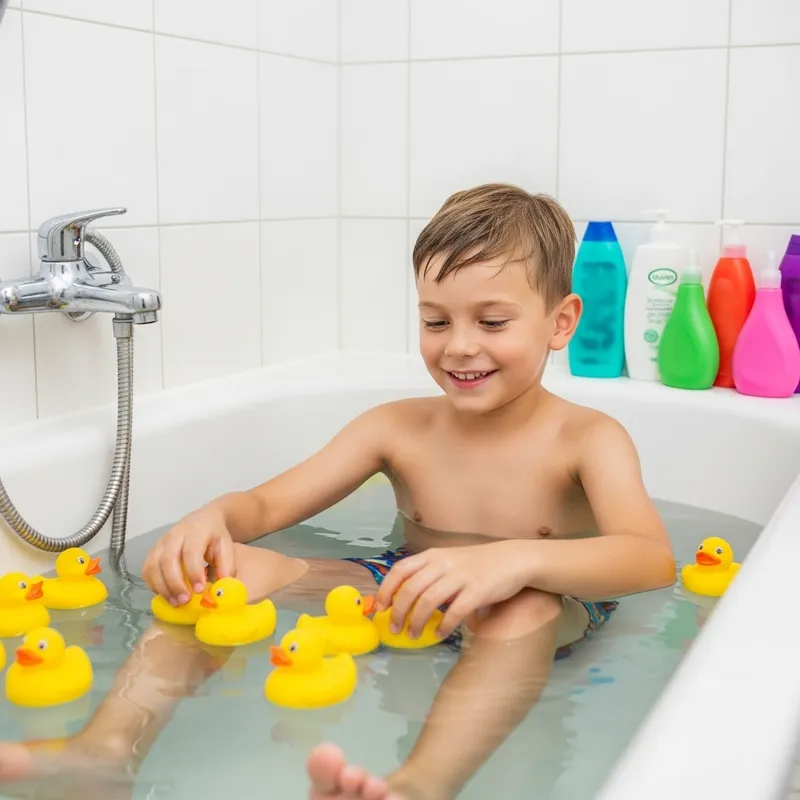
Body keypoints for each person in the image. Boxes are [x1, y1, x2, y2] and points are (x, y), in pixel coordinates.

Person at [0, 184, 676, 800]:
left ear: (561, 322)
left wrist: (512, 561)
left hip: (542, 606)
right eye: (436, 322)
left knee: (519, 603)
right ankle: (108, 748)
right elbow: (262, 509)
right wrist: (211, 520)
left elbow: (649, 559)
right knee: (221, 575)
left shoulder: (586, 439)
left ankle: (416, 786)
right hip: (398, 586)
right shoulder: (396, 428)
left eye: (492, 323)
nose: (459, 347)